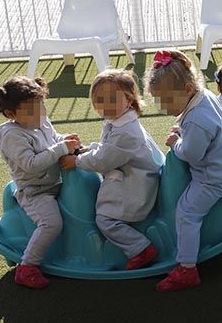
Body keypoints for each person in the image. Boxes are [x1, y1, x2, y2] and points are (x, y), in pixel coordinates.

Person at [145, 50, 222, 292]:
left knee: (186, 212)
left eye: (167, 101)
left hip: (213, 178)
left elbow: (191, 154)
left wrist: (175, 142)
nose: (162, 107)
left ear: (188, 89)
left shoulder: (197, 119)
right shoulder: (203, 97)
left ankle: (187, 268)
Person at [59, 69, 161, 271]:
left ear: (129, 98)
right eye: (99, 99)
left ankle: (140, 248)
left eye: (112, 99)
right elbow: (108, 149)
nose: (105, 105)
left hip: (134, 185)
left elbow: (103, 161)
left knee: (105, 219)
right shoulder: (121, 121)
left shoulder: (126, 132)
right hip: (132, 174)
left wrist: (77, 161)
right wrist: (90, 149)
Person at [0, 76, 81, 288]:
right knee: (51, 224)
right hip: (36, 191)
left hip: (57, 182)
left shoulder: (39, 121)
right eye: (31, 110)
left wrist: (65, 140)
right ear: (11, 114)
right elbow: (30, 164)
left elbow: (53, 139)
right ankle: (27, 266)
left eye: (41, 106)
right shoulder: (12, 135)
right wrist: (60, 149)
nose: (39, 113)